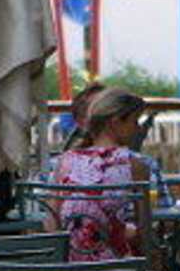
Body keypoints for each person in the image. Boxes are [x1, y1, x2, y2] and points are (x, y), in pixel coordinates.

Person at [47, 86, 152, 261]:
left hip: (70, 270)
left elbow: (51, 223)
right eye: (134, 121)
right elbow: (145, 232)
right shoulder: (135, 165)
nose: (138, 128)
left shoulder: (65, 161)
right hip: (118, 270)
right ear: (115, 122)